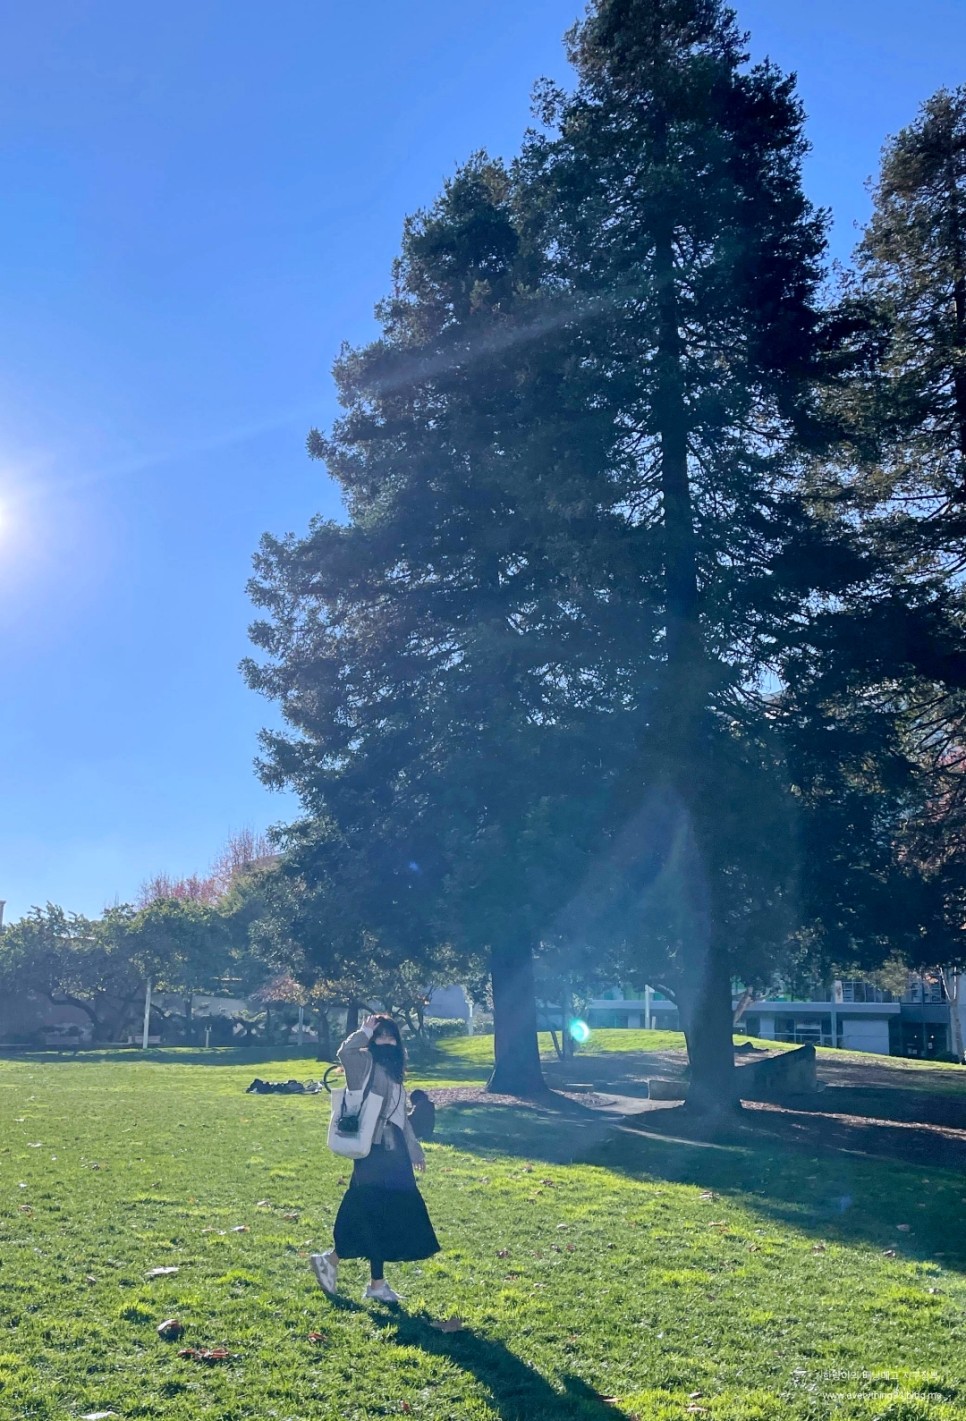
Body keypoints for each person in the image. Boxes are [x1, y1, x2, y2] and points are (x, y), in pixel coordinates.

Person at [310, 1013, 439, 1303]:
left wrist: (415, 1149)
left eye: (391, 1036)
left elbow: (401, 1119)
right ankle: (355, 1272)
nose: (386, 1041)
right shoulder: (364, 1063)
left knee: (386, 1211)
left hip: (395, 1154)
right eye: (381, 1036)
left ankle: (362, 1276)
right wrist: (364, 1031)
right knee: (374, 1210)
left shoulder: (395, 1072)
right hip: (373, 1151)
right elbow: (345, 1052)